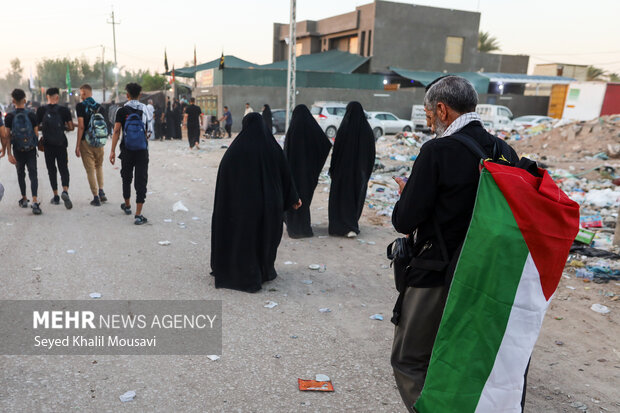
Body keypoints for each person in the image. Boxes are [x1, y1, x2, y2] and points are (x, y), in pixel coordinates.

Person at [390, 76, 520, 413]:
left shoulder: (437, 152)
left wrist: (408, 193)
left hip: (437, 275)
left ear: (442, 110)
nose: (429, 121)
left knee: (410, 359)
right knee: (466, 359)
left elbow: (404, 220)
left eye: (429, 113)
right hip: (488, 278)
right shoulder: (505, 152)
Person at [210, 113, 301, 292]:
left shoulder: (234, 150)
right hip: (268, 206)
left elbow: (224, 183)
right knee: (265, 236)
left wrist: (226, 206)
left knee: (242, 238)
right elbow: (286, 175)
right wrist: (293, 198)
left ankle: (239, 271)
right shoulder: (273, 148)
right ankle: (264, 270)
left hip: (240, 208)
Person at [327, 101, 375, 238]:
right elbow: (371, 154)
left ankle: (337, 226)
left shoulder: (344, 129)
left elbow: (336, 152)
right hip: (359, 174)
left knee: (340, 199)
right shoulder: (367, 130)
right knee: (354, 198)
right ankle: (351, 226)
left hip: (342, 174)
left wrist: (333, 169)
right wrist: (366, 173)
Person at [283, 104, 332, 238]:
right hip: (308, 175)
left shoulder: (293, 130)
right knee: (304, 200)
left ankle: (294, 228)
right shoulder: (312, 128)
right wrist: (315, 165)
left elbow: (285, 153)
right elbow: (325, 144)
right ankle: (304, 228)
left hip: (293, 174)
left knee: (293, 199)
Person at [109, 83, 151, 225]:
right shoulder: (145, 109)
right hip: (141, 151)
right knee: (141, 180)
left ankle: (127, 205)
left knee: (126, 177)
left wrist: (112, 150)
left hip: (126, 150)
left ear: (127, 95)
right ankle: (138, 214)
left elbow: (116, 131)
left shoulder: (121, 110)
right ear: (140, 95)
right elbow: (149, 132)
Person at [36, 87, 74, 209]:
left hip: (47, 145)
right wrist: (65, 128)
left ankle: (56, 196)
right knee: (64, 168)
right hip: (61, 144)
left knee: (51, 169)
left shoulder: (41, 110)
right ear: (57, 97)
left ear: (47, 97)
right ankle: (65, 191)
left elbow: (36, 127)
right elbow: (71, 127)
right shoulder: (64, 110)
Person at [5, 88, 41, 214]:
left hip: (18, 150)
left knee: (21, 174)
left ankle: (24, 199)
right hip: (30, 149)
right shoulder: (31, 114)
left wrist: (9, 153)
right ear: (25, 100)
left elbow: (7, 136)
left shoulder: (9, 116)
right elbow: (36, 133)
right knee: (33, 175)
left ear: (13, 100)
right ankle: (35, 201)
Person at [76, 84, 108, 207]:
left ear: (83, 92)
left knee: (90, 170)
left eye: (80, 93)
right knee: (99, 166)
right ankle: (101, 191)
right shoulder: (100, 107)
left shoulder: (80, 106)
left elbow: (81, 126)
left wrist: (78, 145)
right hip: (99, 141)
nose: (80, 95)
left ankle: (95, 197)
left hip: (86, 142)